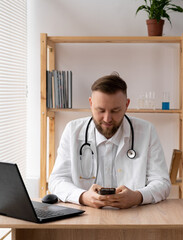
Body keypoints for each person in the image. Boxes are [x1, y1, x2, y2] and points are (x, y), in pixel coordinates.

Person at [49, 73, 170, 209]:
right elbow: (57, 180)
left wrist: (138, 197)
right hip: (85, 217)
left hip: (134, 217)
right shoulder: (73, 130)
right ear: (90, 103)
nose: (107, 119)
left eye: (115, 110)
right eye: (100, 110)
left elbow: (162, 182)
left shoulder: (147, 131)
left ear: (126, 105)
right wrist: (83, 197)